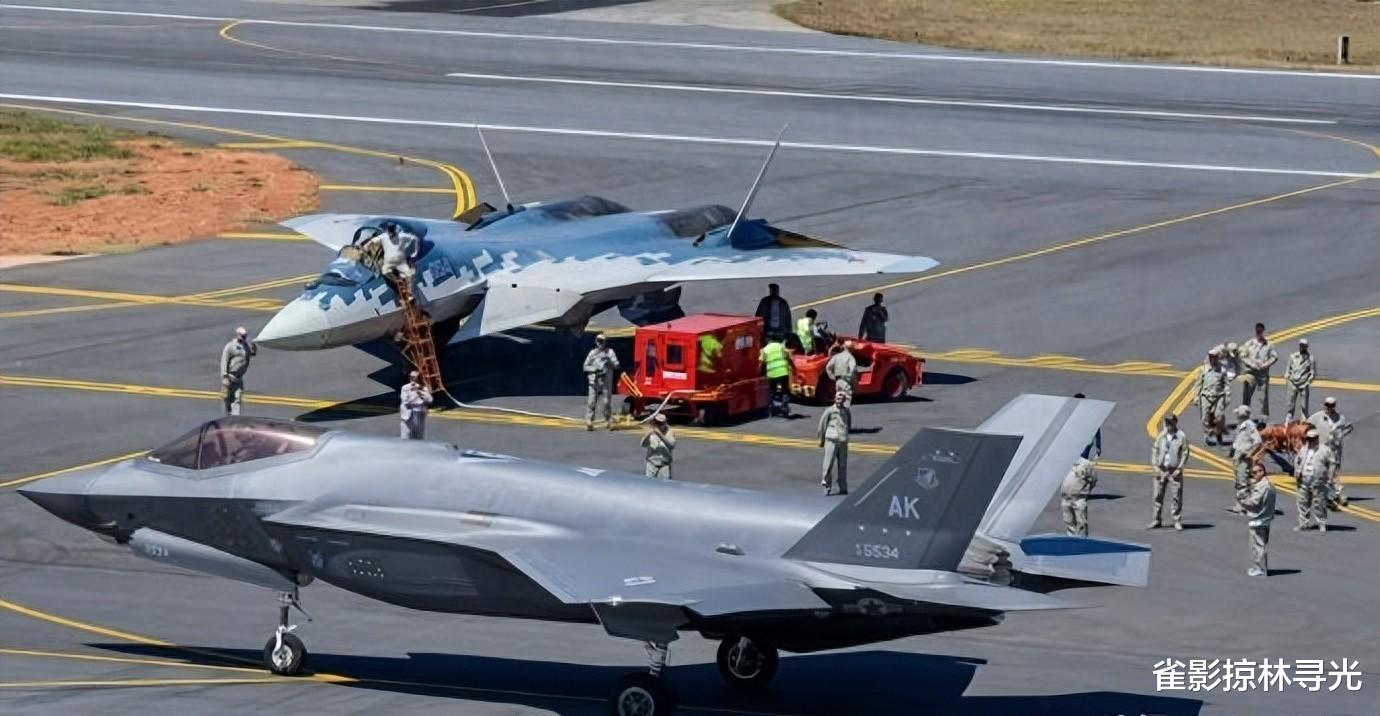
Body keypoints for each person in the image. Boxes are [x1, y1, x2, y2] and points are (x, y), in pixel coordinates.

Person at [1060, 393, 1101, 536]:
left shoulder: (1089, 415)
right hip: (1073, 446)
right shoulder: (1071, 414)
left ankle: (1081, 487)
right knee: (1069, 520)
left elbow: (1097, 429)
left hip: (1083, 446)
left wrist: (1098, 446)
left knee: (1082, 466)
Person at [1308, 396, 1353, 508]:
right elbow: (1306, 424)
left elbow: (1346, 429)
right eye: (1327, 405)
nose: (1329, 407)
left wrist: (1344, 433)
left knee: (1333, 473)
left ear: (1334, 406)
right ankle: (1326, 493)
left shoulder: (1340, 418)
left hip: (1335, 451)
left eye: (1331, 406)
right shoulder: (1318, 416)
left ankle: (1337, 494)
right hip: (1321, 450)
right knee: (1320, 472)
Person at [1149, 413, 1189, 530]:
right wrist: (1155, 466)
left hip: (1173, 470)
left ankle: (1177, 520)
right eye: (1166, 422)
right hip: (1161, 469)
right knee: (1157, 495)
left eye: (1170, 422)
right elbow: (1155, 450)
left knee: (1176, 496)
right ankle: (1156, 519)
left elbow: (1185, 453)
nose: (1168, 424)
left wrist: (1179, 468)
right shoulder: (1161, 436)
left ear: (1175, 422)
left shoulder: (1181, 436)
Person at [1293, 429, 1336, 532]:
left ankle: (1321, 523)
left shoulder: (1325, 450)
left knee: (1319, 502)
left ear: (1317, 438)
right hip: (1304, 479)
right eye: (1308, 439)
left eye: (1313, 439)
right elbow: (1297, 460)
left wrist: (1330, 477)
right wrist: (1297, 471)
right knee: (1302, 502)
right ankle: (1303, 523)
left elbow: (1332, 463)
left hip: (1318, 480)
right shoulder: (1304, 449)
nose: (1310, 441)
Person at [1239, 462, 1277, 577]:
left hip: (1258, 518)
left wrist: (1242, 500)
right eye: (1252, 473)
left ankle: (1260, 568)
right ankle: (1259, 567)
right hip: (1265, 518)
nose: (1254, 475)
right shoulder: (1268, 484)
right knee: (1261, 544)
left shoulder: (1262, 486)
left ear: (1262, 471)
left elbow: (1254, 502)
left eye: (1255, 472)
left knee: (1257, 545)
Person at [1226, 405, 1261, 514]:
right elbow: (1238, 440)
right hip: (1238, 456)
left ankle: (1244, 506)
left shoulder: (1250, 425)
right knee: (1238, 481)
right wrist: (1232, 451)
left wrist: (1250, 453)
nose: (1236, 415)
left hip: (1243, 457)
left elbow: (1258, 441)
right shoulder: (1241, 425)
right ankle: (1241, 504)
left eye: (1237, 413)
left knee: (1243, 481)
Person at [1239, 322, 1278, 420]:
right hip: (1251, 373)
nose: (1259, 333)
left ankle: (1263, 420)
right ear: (1256, 331)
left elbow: (1274, 357)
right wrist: (1252, 364)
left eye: (1261, 331)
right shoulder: (1249, 344)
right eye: (1258, 331)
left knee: (1263, 398)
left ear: (1263, 331)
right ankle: (1244, 417)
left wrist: (1265, 365)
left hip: (1262, 374)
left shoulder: (1268, 344)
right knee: (1246, 396)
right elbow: (1242, 356)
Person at [583, 334, 621, 431]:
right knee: (591, 402)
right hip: (594, 381)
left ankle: (608, 420)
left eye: (602, 341)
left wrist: (609, 361)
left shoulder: (610, 352)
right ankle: (589, 421)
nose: (600, 343)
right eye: (598, 341)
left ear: (605, 342)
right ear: (596, 342)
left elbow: (617, 366)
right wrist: (594, 369)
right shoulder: (592, 353)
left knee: (606, 402)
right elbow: (585, 366)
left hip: (605, 382)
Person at [1195, 348, 1231, 446]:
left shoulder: (1222, 370)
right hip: (1206, 396)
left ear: (1217, 358)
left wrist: (1227, 396)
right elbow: (1198, 384)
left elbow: (1226, 385)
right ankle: (1207, 434)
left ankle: (1218, 432)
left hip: (1218, 396)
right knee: (1205, 417)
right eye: (1211, 357)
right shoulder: (1203, 369)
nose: (1212, 359)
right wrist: (1196, 397)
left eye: (1214, 357)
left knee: (1219, 416)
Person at [817, 391, 851, 495]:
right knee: (828, 464)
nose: (839, 400)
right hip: (831, 439)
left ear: (844, 400)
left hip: (842, 441)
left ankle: (843, 487)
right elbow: (822, 425)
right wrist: (821, 440)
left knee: (842, 465)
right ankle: (827, 486)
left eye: (841, 399)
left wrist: (846, 435)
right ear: (834, 399)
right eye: (837, 398)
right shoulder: (829, 411)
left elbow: (848, 424)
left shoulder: (846, 411)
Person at [220, 326, 257, 416]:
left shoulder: (245, 346)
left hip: (239, 378)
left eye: (245, 336)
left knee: (237, 398)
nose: (245, 337)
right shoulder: (230, 346)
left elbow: (251, 353)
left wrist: (254, 347)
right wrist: (224, 376)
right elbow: (224, 361)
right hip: (230, 377)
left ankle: (235, 417)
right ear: (238, 335)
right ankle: (227, 416)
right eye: (243, 336)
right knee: (228, 399)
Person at [1283, 338, 1316, 422]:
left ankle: (1304, 422)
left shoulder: (1310, 358)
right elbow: (1288, 369)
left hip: (1304, 384)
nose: (1302, 347)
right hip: (1292, 383)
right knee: (1290, 406)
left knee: (1304, 406)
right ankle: (1288, 422)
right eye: (1301, 345)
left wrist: (1308, 381)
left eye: (1304, 346)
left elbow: (1313, 372)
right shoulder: (1293, 356)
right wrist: (1287, 378)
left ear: (1307, 347)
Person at [759, 334, 792, 418]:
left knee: (772, 392)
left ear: (768, 340)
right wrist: (790, 365)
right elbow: (788, 355)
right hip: (783, 371)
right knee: (785, 390)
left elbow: (761, 361)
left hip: (772, 374)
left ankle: (771, 409)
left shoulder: (765, 349)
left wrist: (760, 371)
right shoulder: (780, 346)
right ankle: (785, 407)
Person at [640, 413, 676, 480]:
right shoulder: (651, 431)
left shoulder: (670, 432)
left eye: (661, 424)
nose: (658, 426)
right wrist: (648, 434)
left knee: (665, 484)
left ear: (665, 423)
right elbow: (643, 444)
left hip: (664, 465)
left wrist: (660, 435)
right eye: (657, 423)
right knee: (648, 483)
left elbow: (671, 446)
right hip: (651, 464)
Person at [399, 371, 433, 440]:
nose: (412, 379)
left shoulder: (424, 388)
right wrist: (417, 397)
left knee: (418, 437)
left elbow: (430, 400)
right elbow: (406, 402)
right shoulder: (405, 387)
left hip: (419, 414)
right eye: (411, 377)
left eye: (414, 377)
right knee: (405, 437)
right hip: (407, 415)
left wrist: (419, 391)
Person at [825, 341, 859, 406]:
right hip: (846, 381)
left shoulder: (836, 356)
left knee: (839, 398)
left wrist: (832, 377)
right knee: (846, 402)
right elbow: (853, 370)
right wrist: (854, 384)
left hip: (838, 381)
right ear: (852, 349)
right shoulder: (851, 358)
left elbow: (828, 367)